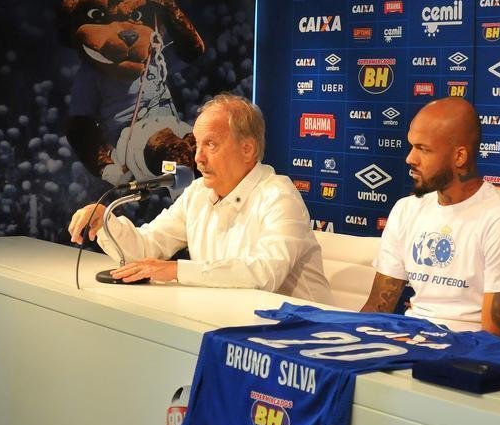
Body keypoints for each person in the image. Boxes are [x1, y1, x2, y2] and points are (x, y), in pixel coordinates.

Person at [68, 93, 331, 301]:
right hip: (227, 326)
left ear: (248, 149)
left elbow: (264, 274)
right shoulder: (198, 193)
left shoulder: (279, 196)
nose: (197, 158)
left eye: (211, 145)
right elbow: (145, 249)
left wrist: (175, 270)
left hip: (298, 340)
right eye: (197, 143)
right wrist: (105, 222)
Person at [361, 97, 500, 340]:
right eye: (412, 146)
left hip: (466, 360)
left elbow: (495, 340)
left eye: (423, 149)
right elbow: (377, 309)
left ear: (459, 156)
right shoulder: (406, 209)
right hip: (407, 347)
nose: (410, 158)